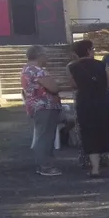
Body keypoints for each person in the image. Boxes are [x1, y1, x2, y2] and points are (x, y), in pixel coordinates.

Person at [69, 38, 109, 178]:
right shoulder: (102, 65)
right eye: (93, 49)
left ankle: (95, 169)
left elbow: (73, 85)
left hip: (85, 101)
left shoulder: (73, 67)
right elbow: (108, 84)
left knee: (90, 133)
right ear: (88, 50)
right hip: (103, 100)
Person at [21, 44, 63, 177]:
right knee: (45, 137)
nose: (47, 58)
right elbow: (54, 88)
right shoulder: (38, 71)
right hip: (45, 106)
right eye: (45, 55)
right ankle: (45, 166)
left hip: (36, 106)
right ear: (39, 56)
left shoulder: (26, 70)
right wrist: (56, 83)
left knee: (42, 135)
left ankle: (44, 164)